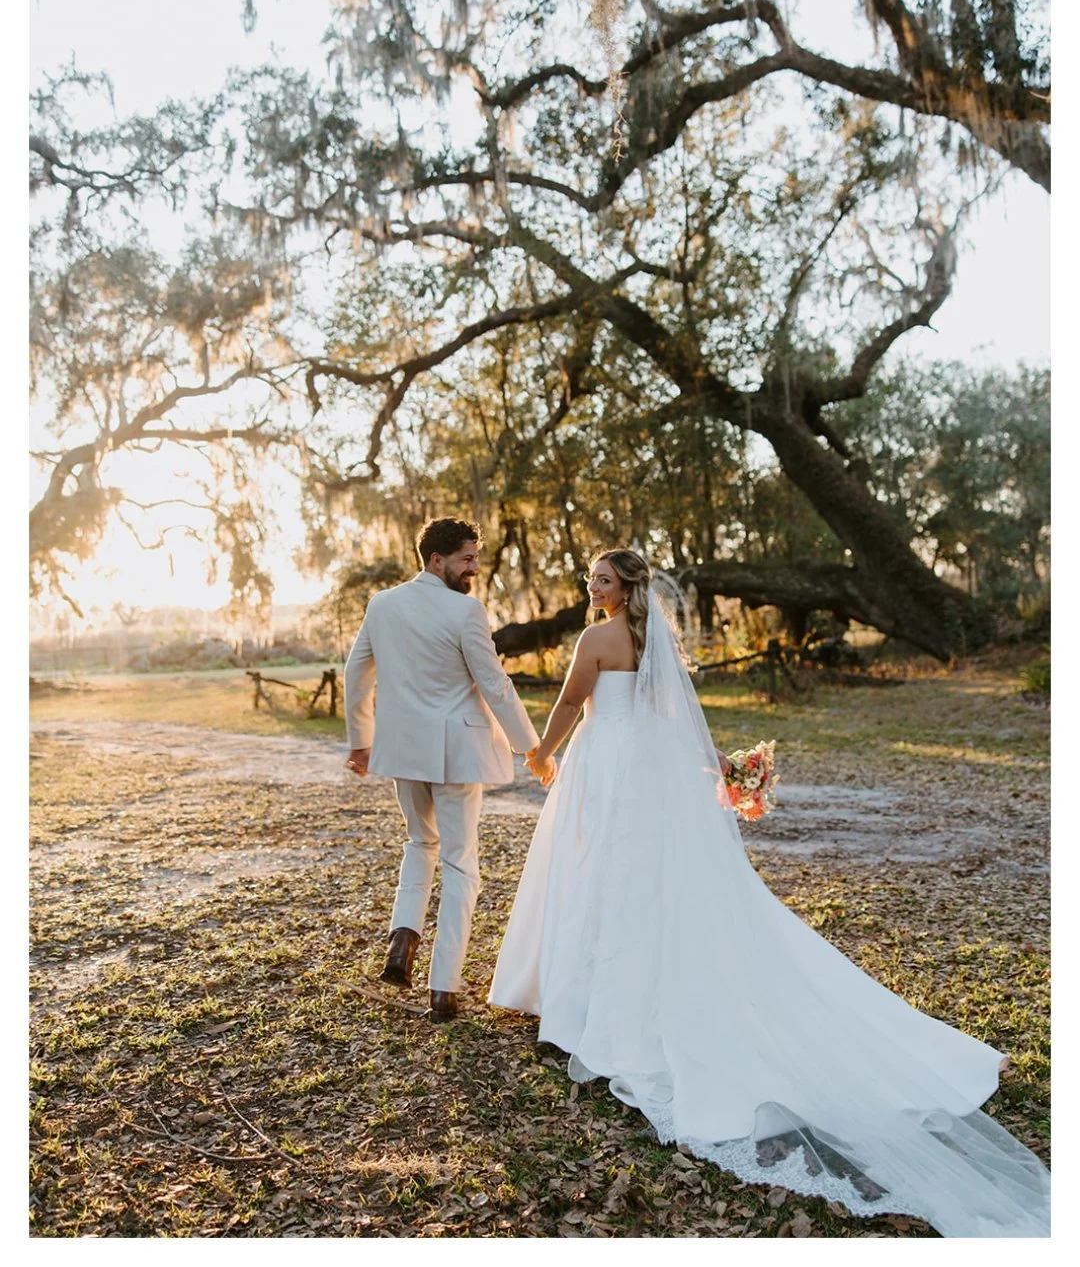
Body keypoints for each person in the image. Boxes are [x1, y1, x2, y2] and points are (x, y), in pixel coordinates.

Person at [490, 549, 1050, 1237]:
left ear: (625, 587)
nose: (592, 586)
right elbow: (672, 718)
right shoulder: (650, 637)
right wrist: (714, 766)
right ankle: (586, 990)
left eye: (602, 579)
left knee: (595, 873)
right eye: (591, 578)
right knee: (630, 878)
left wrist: (543, 754)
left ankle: (588, 1001)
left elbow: (573, 703)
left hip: (605, 768)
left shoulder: (597, 638)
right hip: (642, 774)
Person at [345, 517, 542, 1023]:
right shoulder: (465, 611)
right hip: (456, 755)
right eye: (467, 559)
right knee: (459, 864)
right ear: (437, 559)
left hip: (403, 753)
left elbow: (356, 672)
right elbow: (495, 684)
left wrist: (360, 742)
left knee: (419, 844)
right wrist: (531, 747)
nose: (474, 568)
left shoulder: (382, 605)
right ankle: (443, 988)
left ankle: (402, 940)